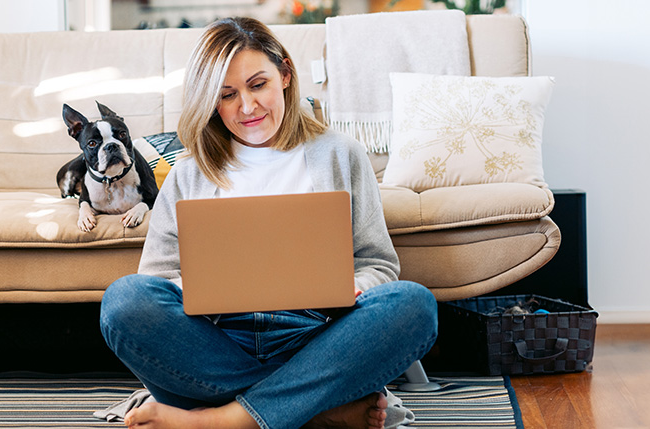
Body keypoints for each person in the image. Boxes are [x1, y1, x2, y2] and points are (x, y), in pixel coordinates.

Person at [99, 16, 438, 429]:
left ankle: (224, 419)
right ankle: (315, 413)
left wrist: (355, 287)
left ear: (286, 75)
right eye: (227, 95)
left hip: (317, 338)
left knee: (414, 305)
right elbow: (157, 277)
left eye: (258, 85)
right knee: (123, 302)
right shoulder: (190, 173)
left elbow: (379, 265)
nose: (247, 107)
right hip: (217, 341)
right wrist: (199, 288)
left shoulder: (341, 154)